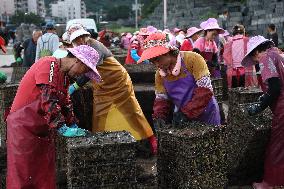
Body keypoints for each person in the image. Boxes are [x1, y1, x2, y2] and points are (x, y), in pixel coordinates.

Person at [6, 45, 99, 188]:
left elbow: (66, 100)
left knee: (43, 172)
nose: (82, 75)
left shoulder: (64, 77)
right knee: (23, 172)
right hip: (23, 127)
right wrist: (62, 127)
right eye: (85, 70)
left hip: (42, 128)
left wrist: (72, 123)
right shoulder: (48, 64)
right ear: (78, 61)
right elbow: (49, 98)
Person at [66, 25, 157, 154]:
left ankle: (150, 140)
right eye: (76, 39)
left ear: (85, 36)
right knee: (99, 115)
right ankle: (101, 146)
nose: (80, 40)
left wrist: (75, 86)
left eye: (81, 37)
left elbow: (88, 70)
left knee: (131, 112)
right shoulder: (78, 48)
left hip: (118, 81)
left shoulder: (95, 46)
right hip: (101, 84)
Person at [138, 32, 221, 127]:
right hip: (184, 115)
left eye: (157, 59)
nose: (156, 65)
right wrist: (159, 116)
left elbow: (205, 90)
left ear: (167, 52)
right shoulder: (159, 75)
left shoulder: (193, 59)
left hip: (206, 112)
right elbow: (162, 98)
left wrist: (186, 113)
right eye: (152, 62)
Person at [241, 36, 284, 189]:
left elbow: (275, 88)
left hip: (282, 108)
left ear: (257, 51)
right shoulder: (277, 54)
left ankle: (270, 182)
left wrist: (260, 105)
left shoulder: (265, 58)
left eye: (254, 58)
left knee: (277, 147)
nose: (256, 62)